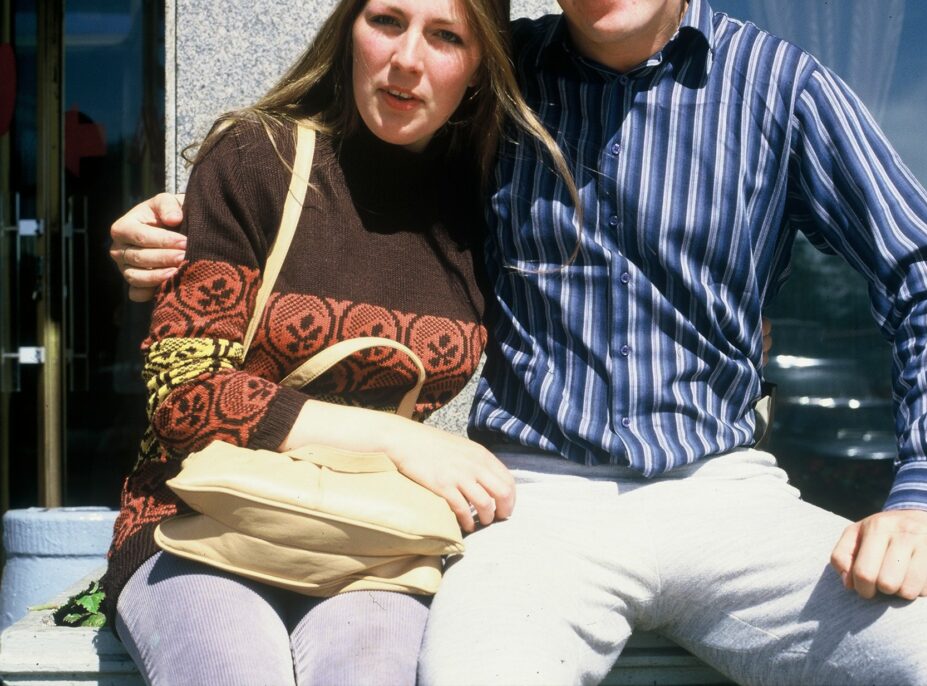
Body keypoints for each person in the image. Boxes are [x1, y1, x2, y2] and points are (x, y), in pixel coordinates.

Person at [113, 0, 927, 684]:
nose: (414, 54)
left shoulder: (780, 88)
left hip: (727, 495)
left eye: (436, 37)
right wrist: (175, 230)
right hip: (534, 502)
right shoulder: (498, 79)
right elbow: (351, 172)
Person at [97, 0, 584, 683]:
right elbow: (185, 399)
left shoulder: (487, 205)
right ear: (349, 29)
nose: (407, 59)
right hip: (195, 525)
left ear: (480, 69)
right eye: (387, 20)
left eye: (446, 36)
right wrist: (407, 440)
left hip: (374, 542)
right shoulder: (256, 159)